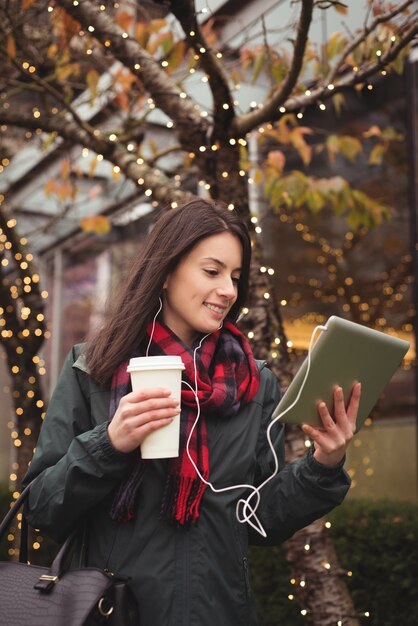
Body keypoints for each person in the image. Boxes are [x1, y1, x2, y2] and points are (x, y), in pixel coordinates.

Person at [23, 198, 361, 626]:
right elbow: (42, 509)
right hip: (113, 612)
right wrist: (109, 444)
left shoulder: (254, 384)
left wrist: (323, 464)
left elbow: (262, 520)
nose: (228, 291)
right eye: (212, 271)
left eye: (236, 277)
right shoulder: (94, 369)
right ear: (165, 272)